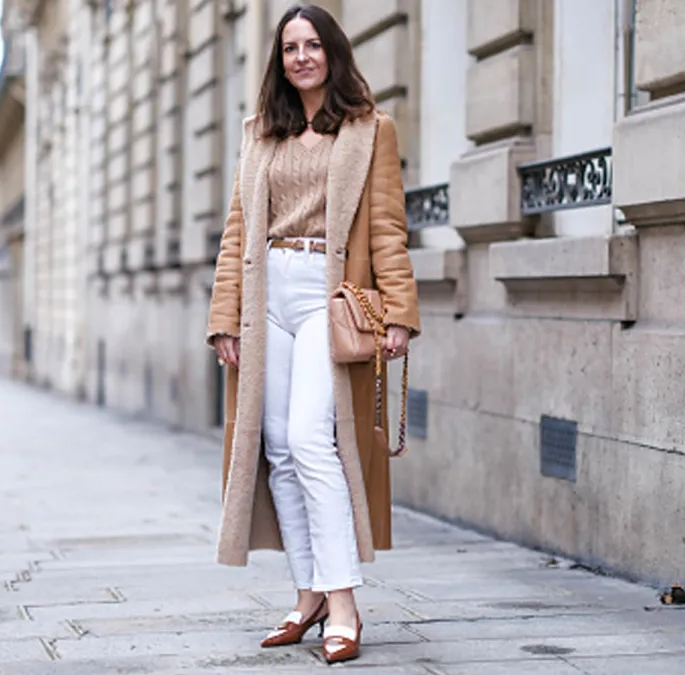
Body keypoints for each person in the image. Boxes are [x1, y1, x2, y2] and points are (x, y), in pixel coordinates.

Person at [205, 3, 420, 664]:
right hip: (266, 292)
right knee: (276, 444)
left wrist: (399, 311)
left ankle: (345, 601)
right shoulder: (258, 133)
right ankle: (309, 594)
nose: (301, 56)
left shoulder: (369, 129)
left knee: (310, 438)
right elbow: (238, 230)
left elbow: (386, 225)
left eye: (311, 45)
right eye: (290, 47)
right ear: (280, 60)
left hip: (326, 297)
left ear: (332, 52)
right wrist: (223, 318)